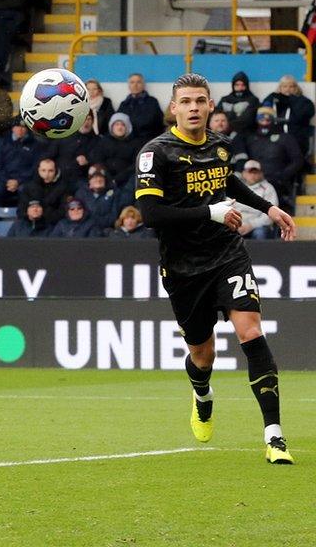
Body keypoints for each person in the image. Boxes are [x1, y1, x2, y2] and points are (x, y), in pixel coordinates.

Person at [135, 72, 296, 463]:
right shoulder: (155, 153)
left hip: (228, 253)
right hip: (183, 266)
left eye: (200, 101)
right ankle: (202, 394)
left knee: (250, 330)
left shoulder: (221, 146)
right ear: (173, 108)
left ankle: (274, 435)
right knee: (203, 354)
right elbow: (151, 214)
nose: (193, 108)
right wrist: (210, 212)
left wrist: (268, 207)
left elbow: (228, 182)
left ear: (211, 106)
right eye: (186, 101)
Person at [261, 74, 314, 158]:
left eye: (291, 86)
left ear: (296, 88)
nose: (288, 89)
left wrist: (292, 99)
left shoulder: (304, 102)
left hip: (297, 141)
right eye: (284, 86)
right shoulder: (275, 100)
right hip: (276, 141)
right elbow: (263, 113)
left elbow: (302, 117)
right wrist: (271, 97)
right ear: (280, 88)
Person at [233, 160, 279, 240]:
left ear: (261, 174)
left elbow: (271, 214)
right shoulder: (236, 187)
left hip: (258, 225)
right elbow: (229, 208)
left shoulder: (268, 188)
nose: (253, 175)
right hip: (237, 224)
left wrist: (251, 225)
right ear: (244, 173)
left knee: (260, 233)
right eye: (250, 172)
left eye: (256, 172)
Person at [18, 158, 69, 227]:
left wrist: (42, 215)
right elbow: (21, 210)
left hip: (52, 225)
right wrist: (29, 216)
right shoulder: (29, 187)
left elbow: (63, 211)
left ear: (56, 171)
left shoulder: (63, 187)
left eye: (50, 171)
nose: (46, 174)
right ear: (39, 171)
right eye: (43, 170)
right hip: (30, 224)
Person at [117, 73, 164, 141]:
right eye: (132, 82)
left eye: (138, 82)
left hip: (148, 140)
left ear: (143, 85)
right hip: (127, 141)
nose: (135, 85)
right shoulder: (124, 104)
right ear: (129, 85)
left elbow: (158, 123)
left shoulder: (152, 102)